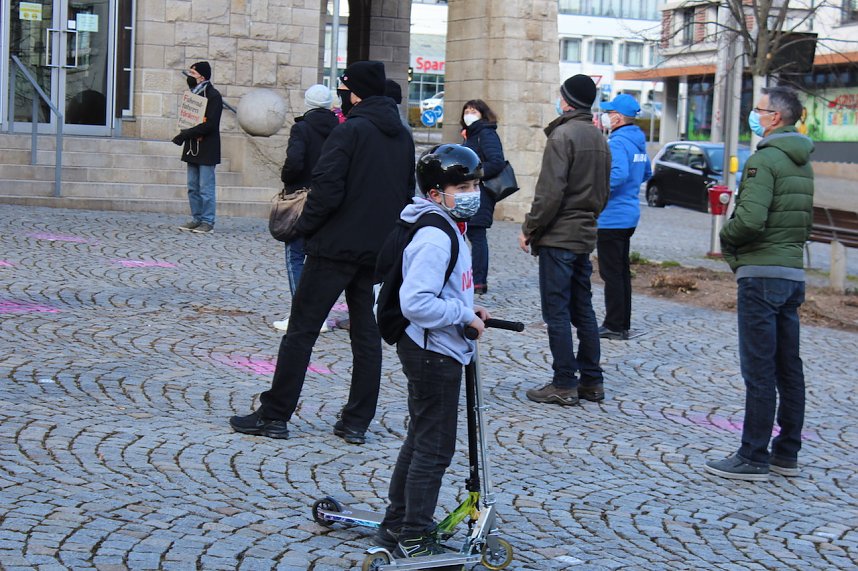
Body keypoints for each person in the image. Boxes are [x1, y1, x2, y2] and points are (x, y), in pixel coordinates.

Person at [229, 61, 415, 444]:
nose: (342, 98)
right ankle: (356, 421)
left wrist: (303, 228)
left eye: (345, 91)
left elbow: (326, 190)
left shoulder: (351, 132)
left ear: (355, 93)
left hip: (335, 248)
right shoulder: (402, 135)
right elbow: (403, 194)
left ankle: (275, 414)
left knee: (301, 330)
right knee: (366, 337)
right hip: (376, 251)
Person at [375, 144, 490, 560]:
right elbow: (417, 302)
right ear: (436, 192)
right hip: (432, 351)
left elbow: (443, 289)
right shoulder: (434, 235)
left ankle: (396, 524)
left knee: (421, 439)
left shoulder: (447, 225)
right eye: (462, 186)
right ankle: (414, 533)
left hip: (437, 346)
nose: (472, 192)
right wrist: (461, 316)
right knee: (435, 448)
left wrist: (468, 307)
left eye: (475, 184)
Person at [704, 86, 814, 481]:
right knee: (789, 367)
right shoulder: (801, 159)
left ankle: (753, 455)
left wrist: (727, 238)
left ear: (774, 118)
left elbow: (749, 220)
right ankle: (787, 453)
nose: (754, 113)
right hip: (790, 272)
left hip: (762, 274)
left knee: (760, 369)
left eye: (759, 109)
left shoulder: (764, 160)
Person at [517, 75, 610, 406]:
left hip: (559, 235)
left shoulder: (562, 135)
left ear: (567, 101)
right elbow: (603, 192)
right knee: (582, 309)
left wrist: (530, 227)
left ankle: (563, 382)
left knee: (556, 311)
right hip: (584, 233)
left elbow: (549, 192)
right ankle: (592, 381)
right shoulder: (599, 138)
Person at [272, 84, 339, 332]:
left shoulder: (302, 128)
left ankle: (303, 316)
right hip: (332, 199)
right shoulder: (340, 129)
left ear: (308, 105)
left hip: (303, 198)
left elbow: (294, 163)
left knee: (296, 254)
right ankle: (318, 315)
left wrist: (288, 180)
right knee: (321, 259)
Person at [596, 93, 652, 340]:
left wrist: (595, 191)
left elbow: (617, 174)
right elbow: (646, 172)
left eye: (609, 114)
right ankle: (621, 322)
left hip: (612, 217)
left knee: (612, 273)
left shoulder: (617, 142)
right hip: (628, 214)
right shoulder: (638, 141)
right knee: (620, 272)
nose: (606, 117)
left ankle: (614, 324)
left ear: (618, 118)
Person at [460, 99, 506, 295]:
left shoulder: (486, 133)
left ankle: (479, 281)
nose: (469, 113)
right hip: (469, 191)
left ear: (482, 114)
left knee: (477, 235)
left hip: (481, 192)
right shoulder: (471, 134)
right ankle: (468, 278)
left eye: (474, 111)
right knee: (467, 232)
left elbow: (496, 162)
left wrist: (473, 174)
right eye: (467, 110)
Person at [173, 61, 222, 234]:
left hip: (207, 147)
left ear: (202, 76)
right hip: (192, 145)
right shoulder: (193, 95)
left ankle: (207, 221)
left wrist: (185, 134)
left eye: (193, 74)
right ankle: (197, 218)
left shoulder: (213, 95)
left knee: (205, 187)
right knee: (193, 186)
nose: (190, 77)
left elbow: (210, 124)